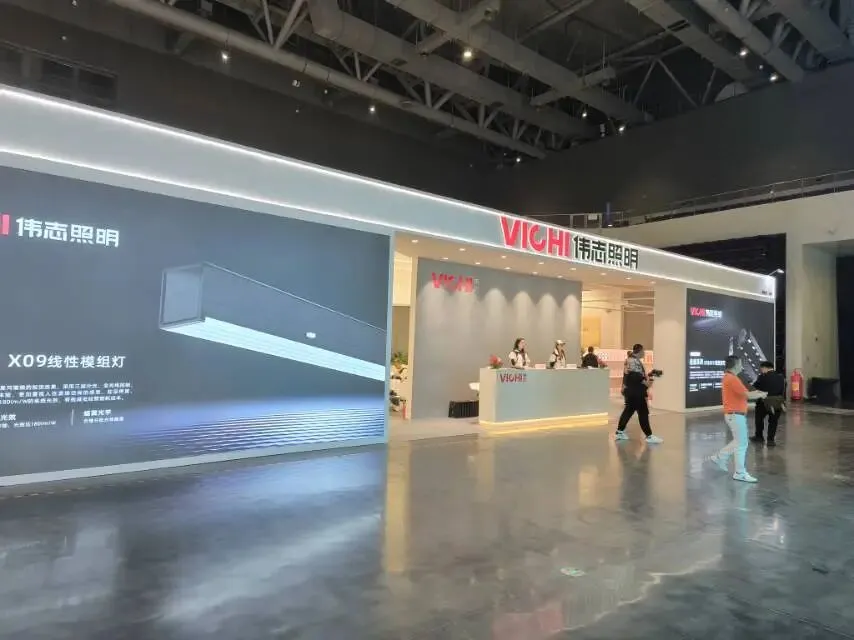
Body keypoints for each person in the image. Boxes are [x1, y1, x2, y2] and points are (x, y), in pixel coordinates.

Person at [708, 355, 767, 483]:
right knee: (742, 444)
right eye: (740, 364)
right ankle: (739, 472)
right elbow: (748, 395)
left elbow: (745, 394)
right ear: (735, 365)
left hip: (734, 415)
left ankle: (719, 457)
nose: (741, 366)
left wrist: (759, 393)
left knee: (738, 441)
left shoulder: (729, 377)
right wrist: (761, 395)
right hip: (735, 415)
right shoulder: (732, 379)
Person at [615, 344, 663, 444]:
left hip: (632, 391)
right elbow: (636, 377)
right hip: (637, 392)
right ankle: (649, 436)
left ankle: (619, 432)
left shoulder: (630, 360)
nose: (644, 353)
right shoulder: (633, 361)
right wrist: (649, 379)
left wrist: (649, 375)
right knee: (643, 413)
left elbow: (632, 376)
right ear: (640, 351)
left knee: (628, 411)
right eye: (643, 351)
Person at [751, 361, 786, 446]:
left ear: (764, 368)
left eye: (761, 369)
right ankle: (771, 440)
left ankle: (759, 437)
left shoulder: (762, 376)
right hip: (777, 402)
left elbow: (756, 386)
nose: (761, 370)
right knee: (773, 421)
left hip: (764, 402)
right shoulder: (781, 377)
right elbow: (783, 389)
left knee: (759, 419)